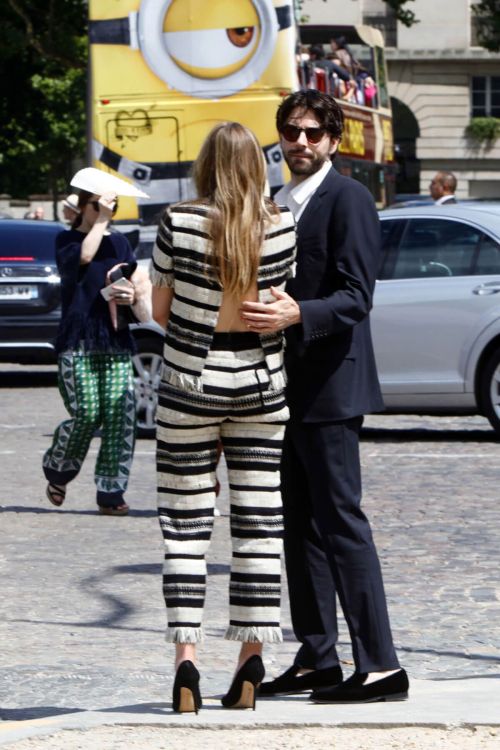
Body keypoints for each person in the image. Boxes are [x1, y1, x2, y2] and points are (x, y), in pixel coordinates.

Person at [240, 90, 409, 704]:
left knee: (342, 525)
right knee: (298, 529)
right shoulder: (274, 203)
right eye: (292, 131)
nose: (301, 143)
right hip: (280, 392)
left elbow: (356, 296)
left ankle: (382, 665)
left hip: (333, 388)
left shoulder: (350, 199)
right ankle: (318, 658)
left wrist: (296, 313)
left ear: (334, 140)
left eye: (313, 133)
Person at [150, 122, 296, 714]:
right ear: (257, 166)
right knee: (260, 526)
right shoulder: (281, 224)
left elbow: (160, 312)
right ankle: (250, 660)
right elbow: (276, 306)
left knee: (184, 527)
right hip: (260, 387)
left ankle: (187, 664)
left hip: (191, 385)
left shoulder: (179, 221)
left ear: (207, 164)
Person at [43, 169, 150, 516]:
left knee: (121, 416)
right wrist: (101, 222)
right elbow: (85, 258)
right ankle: (59, 467)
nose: (106, 211)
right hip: (79, 340)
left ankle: (110, 491)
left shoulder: (119, 243)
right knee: (87, 413)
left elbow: (134, 286)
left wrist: (130, 294)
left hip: (115, 338)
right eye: (98, 206)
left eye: (111, 206)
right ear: (82, 207)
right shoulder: (66, 241)